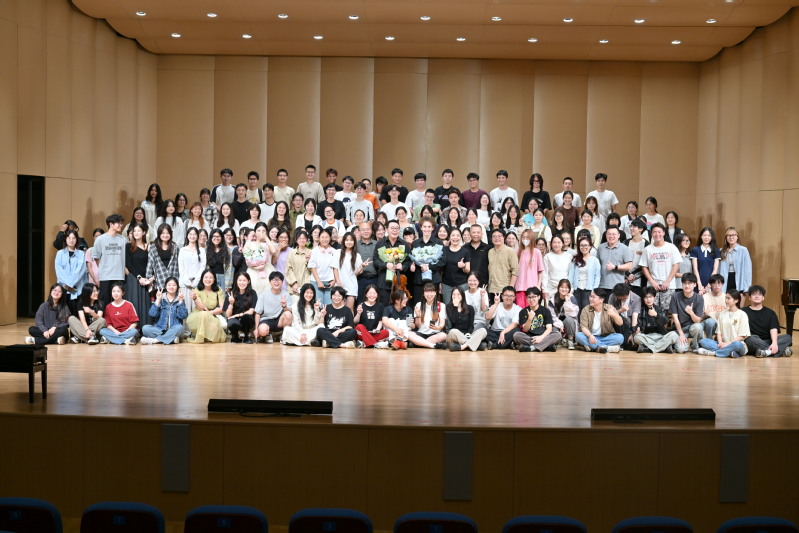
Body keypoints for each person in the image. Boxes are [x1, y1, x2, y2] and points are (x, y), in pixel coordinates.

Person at [742, 285, 793, 357]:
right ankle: (778, 351)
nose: (757, 296)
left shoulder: (770, 313)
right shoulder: (743, 312)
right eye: (754, 294)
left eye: (759, 294)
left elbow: (773, 329)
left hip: (768, 340)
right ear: (749, 297)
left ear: (763, 297)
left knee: (788, 337)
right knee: (750, 339)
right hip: (753, 341)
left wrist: (774, 343)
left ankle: (765, 352)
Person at [695, 289, 749, 358]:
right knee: (703, 341)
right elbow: (719, 332)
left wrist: (727, 344)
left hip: (737, 344)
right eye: (725, 298)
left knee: (737, 345)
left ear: (736, 300)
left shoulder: (742, 314)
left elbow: (742, 336)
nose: (726, 300)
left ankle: (714, 353)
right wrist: (720, 342)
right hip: (722, 344)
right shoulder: (722, 313)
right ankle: (730, 353)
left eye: (728, 298)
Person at [640, 223, 681, 310]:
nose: (657, 234)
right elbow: (644, 267)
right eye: (654, 232)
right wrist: (652, 282)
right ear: (651, 234)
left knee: (669, 311)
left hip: (669, 285)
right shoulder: (647, 249)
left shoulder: (671, 247)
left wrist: (667, 281)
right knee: (652, 310)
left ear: (664, 233)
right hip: (652, 286)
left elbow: (676, 264)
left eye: (659, 232)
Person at [512, 286, 562, 353]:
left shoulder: (545, 311)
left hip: (543, 335)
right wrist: (530, 318)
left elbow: (549, 328)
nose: (531, 299)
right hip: (530, 336)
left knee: (557, 335)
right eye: (529, 297)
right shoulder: (523, 312)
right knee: (516, 335)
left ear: (539, 297)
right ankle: (547, 346)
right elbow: (525, 329)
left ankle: (532, 348)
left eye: (534, 297)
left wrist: (541, 337)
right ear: (526, 298)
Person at [92, 214, 128, 306]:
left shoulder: (123, 240)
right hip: (105, 276)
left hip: (119, 275)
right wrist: (104, 266)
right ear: (111, 224)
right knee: (105, 302)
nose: (121, 225)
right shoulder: (100, 239)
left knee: (119, 302)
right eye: (119, 223)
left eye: (121, 223)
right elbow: (96, 257)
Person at [409, 218, 446, 305]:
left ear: (433, 228)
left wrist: (428, 266)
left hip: (433, 279)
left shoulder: (438, 243)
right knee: (418, 305)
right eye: (424, 226)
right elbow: (411, 259)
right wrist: (412, 265)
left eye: (429, 227)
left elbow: (443, 261)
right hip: (418, 279)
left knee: (433, 305)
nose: (427, 229)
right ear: (421, 228)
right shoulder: (415, 243)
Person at [575, 288, 624, 353]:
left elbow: (620, 323)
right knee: (579, 335)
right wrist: (590, 336)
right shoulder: (585, 310)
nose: (590, 299)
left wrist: (614, 315)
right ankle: (606, 348)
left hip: (605, 337)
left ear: (601, 300)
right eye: (590, 296)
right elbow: (583, 327)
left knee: (620, 337)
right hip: (591, 337)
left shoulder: (609, 308)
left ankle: (594, 347)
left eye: (593, 297)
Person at [142, 277, 188, 345]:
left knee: (180, 328)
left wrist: (180, 301)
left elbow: (183, 316)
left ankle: (156, 340)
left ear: (177, 287)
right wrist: (158, 300)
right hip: (160, 330)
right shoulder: (161, 298)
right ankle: (171, 339)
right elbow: (152, 314)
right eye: (169, 285)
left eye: (174, 285)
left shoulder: (179, 298)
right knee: (145, 328)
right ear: (165, 286)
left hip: (174, 329)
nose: (171, 287)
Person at [633, 286, 679, 353]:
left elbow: (665, 321)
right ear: (643, 299)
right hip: (647, 337)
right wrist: (637, 328)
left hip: (661, 336)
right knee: (636, 337)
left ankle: (648, 349)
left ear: (654, 297)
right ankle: (663, 348)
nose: (648, 299)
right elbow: (639, 326)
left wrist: (656, 315)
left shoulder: (660, 309)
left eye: (650, 297)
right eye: (646, 297)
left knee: (674, 335)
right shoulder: (641, 311)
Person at [186, 270, 227, 343]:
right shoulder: (197, 290)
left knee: (220, 335)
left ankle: (205, 335)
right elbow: (201, 308)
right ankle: (200, 337)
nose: (208, 279)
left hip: (213, 314)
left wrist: (211, 312)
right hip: (198, 314)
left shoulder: (218, 290)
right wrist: (195, 299)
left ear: (214, 279)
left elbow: (222, 308)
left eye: (210, 277)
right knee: (203, 314)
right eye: (206, 277)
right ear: (202, 278)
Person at [669, 272, 705, 353]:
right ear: (682, 284)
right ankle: (680, 343)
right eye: (685, 283)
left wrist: (691, 312)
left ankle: (694, 345)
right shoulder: (675, 296)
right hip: (680, 328)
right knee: (681, 350)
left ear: (695, 284)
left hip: (692, 327)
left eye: (690, 283)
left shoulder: (699, 298)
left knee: (698, 327)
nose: (687, 286)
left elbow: (697, 320)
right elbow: (675, 318)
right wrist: (681, 334)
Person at [445, 286, 487, 352]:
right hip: (455, 335)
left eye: (458, 294)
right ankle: (476, 345)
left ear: (462, 296)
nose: (456, 296)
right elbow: (453, 321)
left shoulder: (470, 308)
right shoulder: (448, 307)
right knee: (452, 331)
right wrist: (455, 306)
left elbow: (471, 326)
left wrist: (468, 334)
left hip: (467, 335)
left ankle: (463, 346)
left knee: (483, 330)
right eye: (454, 294)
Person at [125, 223, 151, 325]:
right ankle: (133, 327)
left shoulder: (148, 247)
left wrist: (147, 279)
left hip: (145, 280)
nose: (136, 233)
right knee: (134, 302)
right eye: (134, 231)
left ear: (144, 232)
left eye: (138, 231)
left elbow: (150, 264)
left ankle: (144, 327)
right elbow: (128, 264)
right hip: (133, 278)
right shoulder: (128, 246)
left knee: (145, 303)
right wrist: (139, 277)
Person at [333, 232, 366, 312]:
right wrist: (338, 281)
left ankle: (351, 321)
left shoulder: (357, 256)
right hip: (340, 284)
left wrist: (362, 267)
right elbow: (335, 268)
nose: (349, 242)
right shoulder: (338, 252)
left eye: (351, 240)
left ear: (354, 241)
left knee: (349, 309)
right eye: (347, 240)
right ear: (343, 241)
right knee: (339, 309)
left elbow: (355, 274)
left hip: (352, 285)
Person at [569, 236, 601, 314]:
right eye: (581, 245)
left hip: (589, 290)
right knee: (576, 310)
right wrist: (571, 288)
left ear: (590, 246)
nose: (584, 247)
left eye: (586, 245)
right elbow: (571, 275)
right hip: (576, 289)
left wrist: (594, 290)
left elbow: (597, 276)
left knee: (586, 311)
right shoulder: (575, 259)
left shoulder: (595, 260)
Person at [410, 283, 448, 349]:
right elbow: (418, 326)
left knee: (443, 335)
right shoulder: (419, 305)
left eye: (431, 292)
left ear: (435, 293)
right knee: (409, 333)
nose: (429, 294)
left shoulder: (441, 305)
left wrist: (438, 327)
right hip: (421, 334)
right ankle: (432, 345)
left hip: (434, 334)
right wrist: (418, 316)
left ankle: (418, 344)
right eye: (427, 292)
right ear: (423, 294)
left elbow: (442, 324)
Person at [224, 272, 258, 343]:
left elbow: (251, 311)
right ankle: (235, 337)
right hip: (235, 320)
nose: (242, 283)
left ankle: (246, 337)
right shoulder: (230, 294)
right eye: (239, 280)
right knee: (231, 323)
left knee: (247, 316)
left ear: (248, 281)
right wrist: (231, 304)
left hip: (247, 320)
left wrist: (237, 315)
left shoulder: (253, 293)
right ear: (236, 281)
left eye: (244, 280)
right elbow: (228, 315)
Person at [243, 222, 276, 295]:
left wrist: (266, 238)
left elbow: (273, 251)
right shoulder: (249, 243)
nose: (261, 233)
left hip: (267, 270)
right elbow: (247, 260)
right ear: (255, 232)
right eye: (258, 230)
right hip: (253, 272)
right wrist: (255, 267)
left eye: (263, 231)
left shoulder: (269, 243)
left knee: (268, 292)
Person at [55, 229, 88, 304]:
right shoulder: (60, 253)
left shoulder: (81, 254)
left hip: (78, 289)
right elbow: (59, 272)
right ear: (65, 239)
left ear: (77, 240)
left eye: (73, 238)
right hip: (63, 288)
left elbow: (80, 272)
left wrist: (70, 286)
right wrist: (69, 287)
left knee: (77, 310)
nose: (71, 240)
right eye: (69, 238)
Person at [146, 224, 181, 293]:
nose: (165, 235)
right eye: (163, 233)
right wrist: (149, 278)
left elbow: (179, 264)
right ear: (159, 234)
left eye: (167, 233)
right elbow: (150, 264)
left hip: (173, 280)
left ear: (170, 234)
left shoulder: (175, 247)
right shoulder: (154, 247)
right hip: (159, 279)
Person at [179, 227, 207, 311]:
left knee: (197, 309)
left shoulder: (201, 250)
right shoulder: (182, 250)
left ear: (197, 236)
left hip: (197, 283)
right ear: (187, 236)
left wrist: (195, 282)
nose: (192, 236)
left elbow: (202, 267)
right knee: (185, 310)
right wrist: (187, 282)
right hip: (184, 284)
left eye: (194, 234)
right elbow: (181, 268)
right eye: (190, 234)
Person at [597, 226, 633, 290]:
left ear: (618, 235)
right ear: (606, 235)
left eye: (613, 234)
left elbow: (629, 266)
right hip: (601, 285)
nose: (611, 236)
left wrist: (615, 267)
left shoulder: (625, 248)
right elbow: (598, 265)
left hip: (617, 286)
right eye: (609, 234)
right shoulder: (600, 247)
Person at [441, 227, 471, 304]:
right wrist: (440, 283)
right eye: (453, 235)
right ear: (449, 237)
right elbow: (440, 269)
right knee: (448, 306)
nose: (455, 237)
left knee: (462, 306)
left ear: (461, 237)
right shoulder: (444, 250)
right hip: (446, 285)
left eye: (458, 235)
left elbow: (468, 270)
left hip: (462, 284)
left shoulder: (465, 251)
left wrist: (463, 266)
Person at [487, 229, 518, 302]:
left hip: (505, 289)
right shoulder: (490, 252)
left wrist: (511, 287)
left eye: (499, 236)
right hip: (492, 289)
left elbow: (515, 270)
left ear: (504, 237)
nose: (497, 238)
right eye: (494, 236)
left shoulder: (510, 251)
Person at [308, 228, 338, 305]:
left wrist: (334, 280)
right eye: (322, 237)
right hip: (316, 282)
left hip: (330, 283)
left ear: (330, 237)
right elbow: (312, 267)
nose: (324, 239)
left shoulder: (334, 251)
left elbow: (336, 268)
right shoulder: (314, 251)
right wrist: (319, 282)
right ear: (319, 238)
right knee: (318, 305)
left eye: (327, 237)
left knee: (329, 305)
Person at [719, 226, 752, 293]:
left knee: (737, 298)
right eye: (729, 235)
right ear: (726, 238)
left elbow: (747, 270)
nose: (731, 237)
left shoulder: (743, 250)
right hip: (725, 280)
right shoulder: (721, 250)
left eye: (733, 235)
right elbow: (718, 269)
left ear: (737, 237)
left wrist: (746, 287)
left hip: (739, 279)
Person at [608, 283, 641, 349]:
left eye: (624, 298)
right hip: (616, 324)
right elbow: (609, 314)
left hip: (629, 324)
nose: (622, 299)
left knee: (628, 341)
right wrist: (620, 310)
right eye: (620, 298)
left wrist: (633, 333)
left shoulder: (636, 298)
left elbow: (635, 317)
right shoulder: (613, 296)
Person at [548, 279, 579, 350]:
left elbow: (573, 314)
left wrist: (567, 301)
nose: (564, 289)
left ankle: (570, 340)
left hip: (569, 324)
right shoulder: (552, 299)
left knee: (569, 320)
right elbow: (552, 316)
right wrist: (560, 325)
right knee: (554, 330)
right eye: (562, 287)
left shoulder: (572, 298)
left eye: (566, 288)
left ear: (569, 289)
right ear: (558, 288)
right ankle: (559, 341)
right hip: (556, 323)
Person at [690, 227, 721, 294]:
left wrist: (709, 285)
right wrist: (699, 284)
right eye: (704, 235)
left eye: (709, 235)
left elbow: (715, 270)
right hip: (697, 282)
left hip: (711, 283)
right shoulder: (695, 250)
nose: (706, 237)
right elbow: (695, 269)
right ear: (701, 236)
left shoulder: (716, 251)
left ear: (712, 237)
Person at [541, 234, 572, 300]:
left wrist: (571, 288)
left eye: (559, 242)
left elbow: (571, 274)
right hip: (551, 288)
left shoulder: (569, 256)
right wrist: (544, 290)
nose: (556, 244)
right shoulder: (547, 256)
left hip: (565, 289)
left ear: (563, 244)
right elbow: (545, 274)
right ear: (551, 244)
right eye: (554, 242)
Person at [625, 219, 649, 299]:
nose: (631, 228)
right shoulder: (625, 243)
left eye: (634, 226)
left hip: (640, 281)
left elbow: (646, 264)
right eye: (631, 226)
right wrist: (627, 275)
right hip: (625, 279)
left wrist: (633, 276)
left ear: (641, 229)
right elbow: (621, 261)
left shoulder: (646, 244)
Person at [700, 274, 726, 339]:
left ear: (722, 284)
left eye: (719, 283)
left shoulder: (726, 297)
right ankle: (709, 340)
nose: (717, 285)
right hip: (708, 323)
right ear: (711, 285)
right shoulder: (705, 297)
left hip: (722, 324)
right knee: (710, 322)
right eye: (714, 283)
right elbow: (702, 314)